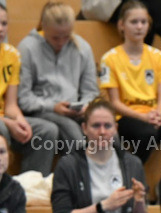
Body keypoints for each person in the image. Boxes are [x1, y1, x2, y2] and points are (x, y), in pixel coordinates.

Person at [17, 1, 100, 154]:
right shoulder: (27, 48)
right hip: (42, 110)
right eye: (55, 38)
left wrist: (85, 106)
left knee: (107, 133)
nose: (61, 42)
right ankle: (77, 176)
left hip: (76, 110)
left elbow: (91, 91)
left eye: (66, 37)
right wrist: (53, 106)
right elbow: (24, 98)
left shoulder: (82, 48)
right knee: (74, 136)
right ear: (44, 27)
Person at [99, 1, 161, 164]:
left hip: (152, 115)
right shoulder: (109, 59)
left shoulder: (159, 57)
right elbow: (115, 103)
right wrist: (143, 117)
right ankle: (129, 173)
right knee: (148, 134)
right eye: (134, 22)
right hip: (125, 116)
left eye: (143, 22)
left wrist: (158, 114)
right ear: (121, 25)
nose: (139, 27)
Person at [0, 4, 58, 176]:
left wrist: (19, 120)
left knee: (47, 131)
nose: (0, 28)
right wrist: (8, 123)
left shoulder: (12, 55)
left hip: (3, 118)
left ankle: (30, 190)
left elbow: (10, 104)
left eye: (4, 23)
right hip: (2, 124)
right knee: (1, 130)